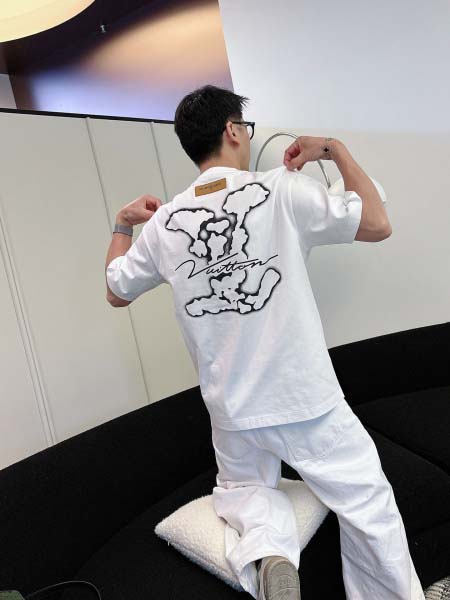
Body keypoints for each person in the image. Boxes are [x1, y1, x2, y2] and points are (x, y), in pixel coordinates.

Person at [104, 85, 425, 600]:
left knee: (242, 491)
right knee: (366, 501)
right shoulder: (278, 189)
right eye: (245, 128)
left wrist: (124, 223)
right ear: (233, 130)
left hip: (231, 409)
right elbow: (376, 222)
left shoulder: (164, 224)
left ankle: (269, 551)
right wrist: (334, 149)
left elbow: (116, 290)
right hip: (303, 399)